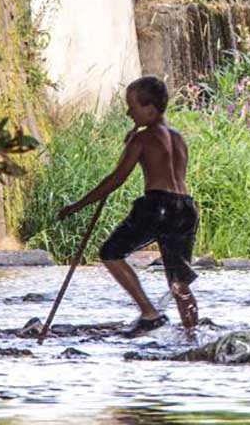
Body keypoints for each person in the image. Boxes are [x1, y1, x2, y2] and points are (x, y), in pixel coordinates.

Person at [57, 76, 199, 334]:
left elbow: (115, 179)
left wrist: (76, 206)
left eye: (132, 107)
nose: (128, 112)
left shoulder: (142, 140)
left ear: (150, 109)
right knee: (178, 281)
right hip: (186, 208)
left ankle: (149, 313)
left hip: (158, 205)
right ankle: (192, 334)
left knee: (111, 252)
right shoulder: (179, 138)